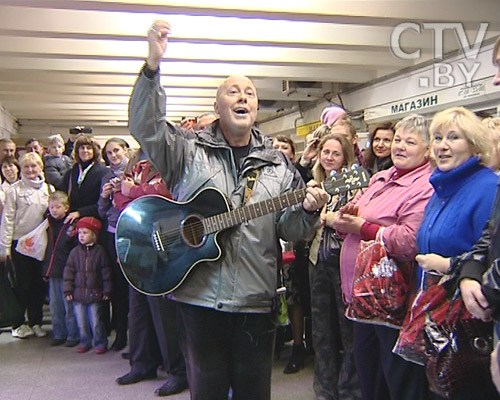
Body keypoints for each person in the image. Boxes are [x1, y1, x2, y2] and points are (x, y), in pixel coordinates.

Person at [128, 20, 328, 399]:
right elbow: (146, 127)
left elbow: (292, 228)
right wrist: (152, 68)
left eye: (250, 93)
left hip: (255, 299)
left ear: (255, 107)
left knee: (255, 392)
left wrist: (309, 210)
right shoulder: (187, 151)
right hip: (199, 298)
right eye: (233, 91)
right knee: (207, 390)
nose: (243, 97)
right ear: (217, 105)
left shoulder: (278, 165)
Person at [333, 114, 434, 400]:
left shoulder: (424, 186)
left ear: (427, 150)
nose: (400, 147)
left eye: (410, 142)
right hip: (362, 299)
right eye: (398, 140)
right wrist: (347, 221)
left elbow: (409, 241)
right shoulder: (380, 178)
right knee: (370, 379)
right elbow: (355, 218)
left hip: (392, 302)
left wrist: (363, 227)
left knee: (399, 382)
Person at [411, 107, 498, 399]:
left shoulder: (488, 187)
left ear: (474, 144)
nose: (442, 145)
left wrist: (449, 266)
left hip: (468, 318)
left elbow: (487, 252)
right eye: (437, 138)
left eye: (453, 137)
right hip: (438, 314)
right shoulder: (441, 187)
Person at [114, 149, 188, 397]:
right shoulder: (137, 165)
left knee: (164, 314)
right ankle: (142, 364)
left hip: (165, 241)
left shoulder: (173, 163)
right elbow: (118, 200)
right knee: (138, 310)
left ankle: (177, 372)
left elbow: (165, 196)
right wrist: (135, 195)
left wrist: (133, 192)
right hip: (137, 243)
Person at [308, 133, 361, 400]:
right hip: (316, 261)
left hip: (344, 264)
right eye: (325, 152)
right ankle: (325, 390)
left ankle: (349, 390)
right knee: (321, 331)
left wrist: (326, 218)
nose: (329, 157)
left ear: (345, 157)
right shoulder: (312, 184)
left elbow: (356, 222)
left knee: (347, 330)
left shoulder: (355, 185)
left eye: (335, 153)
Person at [0, 152, 53, 339]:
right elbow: (7, 220)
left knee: (39, 284)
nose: (31, 170)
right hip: (19, 244)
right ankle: (18, 323)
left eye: (34, 166)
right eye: (26, 167)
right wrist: (5, 248)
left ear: (40, 167)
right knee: (22, 285)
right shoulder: (14, 191)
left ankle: (36, 322)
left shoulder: (48, 188)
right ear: (21, 170)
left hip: (40, 244)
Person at [272, 135, 311, 374]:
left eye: (284, 147)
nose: (278, 150)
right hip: (278, 248)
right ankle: (296, 345)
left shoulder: (299, 175)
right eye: (274, 146)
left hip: (301, 245)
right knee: (293, 298)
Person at [98, 137, 130, 351]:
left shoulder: (136, 171)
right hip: (112, 233)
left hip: (133, 235)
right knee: (117, 287)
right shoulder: (106, 176)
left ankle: (138, 336)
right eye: (109, 153)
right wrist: (104, 196)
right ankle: (120, 333)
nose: (113, 156)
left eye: (116, 150)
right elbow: (102, 211)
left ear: (126, 150)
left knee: (133, 288)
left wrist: (126, 190)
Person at [63, 216, 111, 354]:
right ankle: (85, 341)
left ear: (94, 235)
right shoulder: (74, 253)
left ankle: (100, 342)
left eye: (85, 232)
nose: (82, 236)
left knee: (96, 321)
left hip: (94, 294)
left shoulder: (100, 252)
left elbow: (106, 274)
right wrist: (68, 291)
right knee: (81, 322)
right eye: (80, 233)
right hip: (78, 295)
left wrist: (107, 291)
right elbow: (68, 273)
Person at [43, 191, 79, 347]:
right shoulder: (47, 223)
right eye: (51, 207)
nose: (54, 210)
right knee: (55, 305)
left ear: (66, 208)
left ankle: (73, 335)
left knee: (69, 305)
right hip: (52, 270)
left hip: (67, 270)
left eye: (58, 207)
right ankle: (59, 333)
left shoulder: (72, 224)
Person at [63, 134, 108, 224]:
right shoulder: (70, 173)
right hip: (72, 221)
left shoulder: (104, 173)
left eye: (89, 148)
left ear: (95, 151)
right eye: (82, 148)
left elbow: (103, 203)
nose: (85, 151)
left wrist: (80, 212)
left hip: (94, 221)